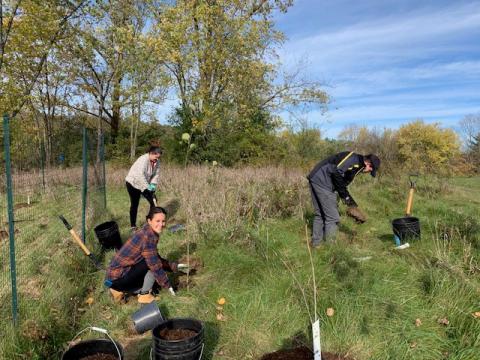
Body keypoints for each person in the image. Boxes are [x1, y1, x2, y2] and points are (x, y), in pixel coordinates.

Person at [105, 206, 179, 304]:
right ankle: (144, 295)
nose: (161, 224)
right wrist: (168, 286)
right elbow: (155, 265)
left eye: (163, 221)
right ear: (149, 220)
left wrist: (174, 267)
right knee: (151, 265)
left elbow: (155, 257)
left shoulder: (147, 231)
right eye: (157, 221)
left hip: (114, 278)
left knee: (154, 275)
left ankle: (118, 290)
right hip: (118, 278)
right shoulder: (148, 237)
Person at [307, 151, 380, 247]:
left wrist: (351, 203)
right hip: (323, 181)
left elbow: (342, 181)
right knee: (333, 217)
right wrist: (346, 197)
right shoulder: (353, 160)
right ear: (368, 163)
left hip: (316, 178)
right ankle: (331, 247)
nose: (369, 172)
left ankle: (316, 244)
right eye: (371, 170)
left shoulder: (357, 164)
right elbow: (335, 171)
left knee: (320, 214)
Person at [126, 144, 162, 230]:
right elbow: (140, 176)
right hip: (133, 183)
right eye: (156, 157)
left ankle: (149, 222)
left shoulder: (157, 162)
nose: (157, 160)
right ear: (151, 153)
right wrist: (147, 187)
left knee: (153, 201)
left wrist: (153, 184)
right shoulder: (143, 160)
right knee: (135, 204)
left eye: (158, 158)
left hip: (145, 184)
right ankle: (133, 226)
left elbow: (156, 174)